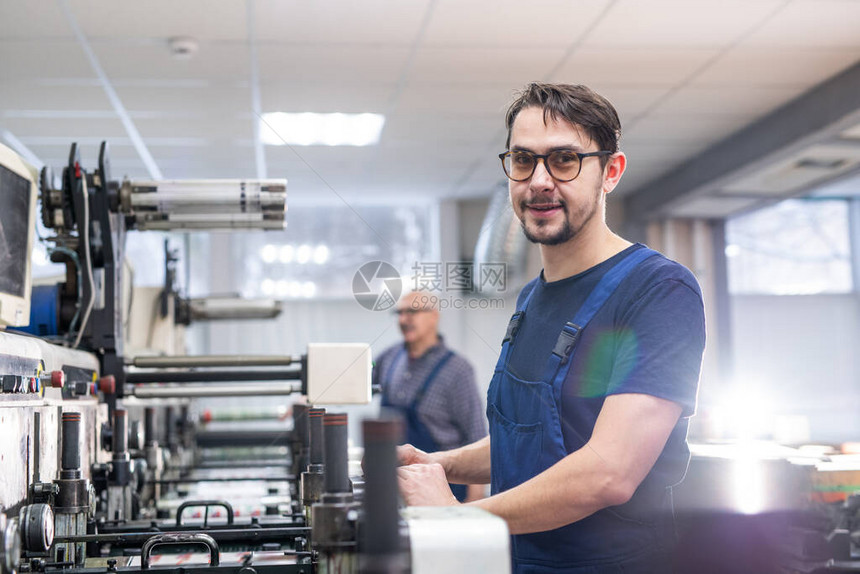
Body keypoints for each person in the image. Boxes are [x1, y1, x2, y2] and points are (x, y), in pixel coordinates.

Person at [396, 83, 706, 573]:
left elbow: (609, 472)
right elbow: (535, 439)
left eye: (564, 160)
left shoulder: (657, 291)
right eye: (523, 160)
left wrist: (456, 518)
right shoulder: (532, 298)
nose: (539, 180)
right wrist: (440, 464)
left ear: (611, 172)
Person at [374, 290, 488, 502]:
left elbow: (476, 436)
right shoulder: (388, 358)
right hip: (392, 486)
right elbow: (356, 383)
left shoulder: (457, 370)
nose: (403, 319)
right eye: (398, 313)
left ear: (434, 315)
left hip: (440, 491)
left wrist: (471, 512)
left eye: (411, 312)